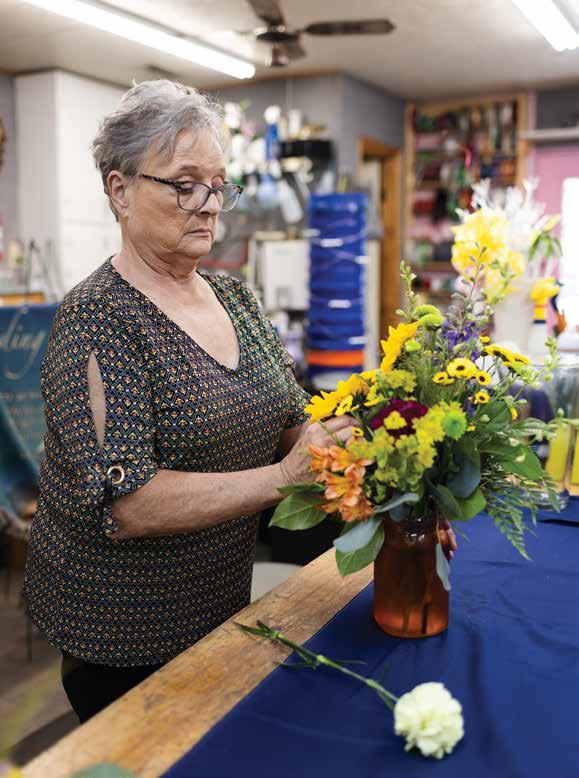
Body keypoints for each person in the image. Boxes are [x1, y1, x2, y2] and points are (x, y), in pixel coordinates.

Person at [23, 80, 353, 723]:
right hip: (123, 637)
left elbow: (292, 417)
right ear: (120, 190)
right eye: (184, 185)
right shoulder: (98, 318)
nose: (208, 206)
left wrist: (366, 439)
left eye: (218, 186)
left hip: (217, 608)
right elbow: (127, 501)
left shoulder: (235, 298)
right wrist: (285, 477)